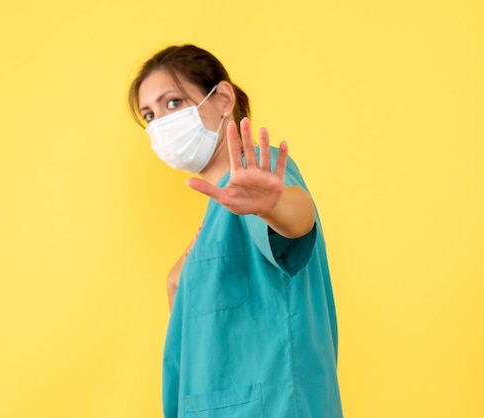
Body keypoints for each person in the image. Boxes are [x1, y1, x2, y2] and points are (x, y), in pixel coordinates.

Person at [128, 44, 343, 418]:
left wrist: (272, 206)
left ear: (223, 98)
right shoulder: (214, 216)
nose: (160, 122)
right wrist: (177, 279)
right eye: (149, 114)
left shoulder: (261, 176)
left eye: (173, 103)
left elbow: (297, 221)